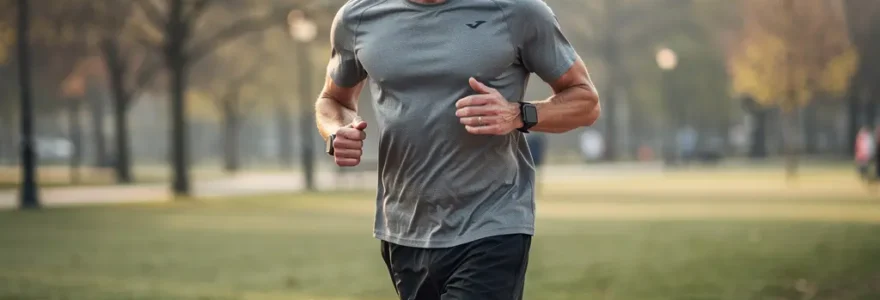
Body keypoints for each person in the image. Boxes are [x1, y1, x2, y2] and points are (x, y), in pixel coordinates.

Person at [314, 0, 600, 299]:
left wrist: (518, 114)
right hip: (405, 228)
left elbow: (585, 101)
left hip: (493, 222)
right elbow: (333, 100)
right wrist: (337, 131)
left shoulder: (519, 11)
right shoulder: (358, 17)